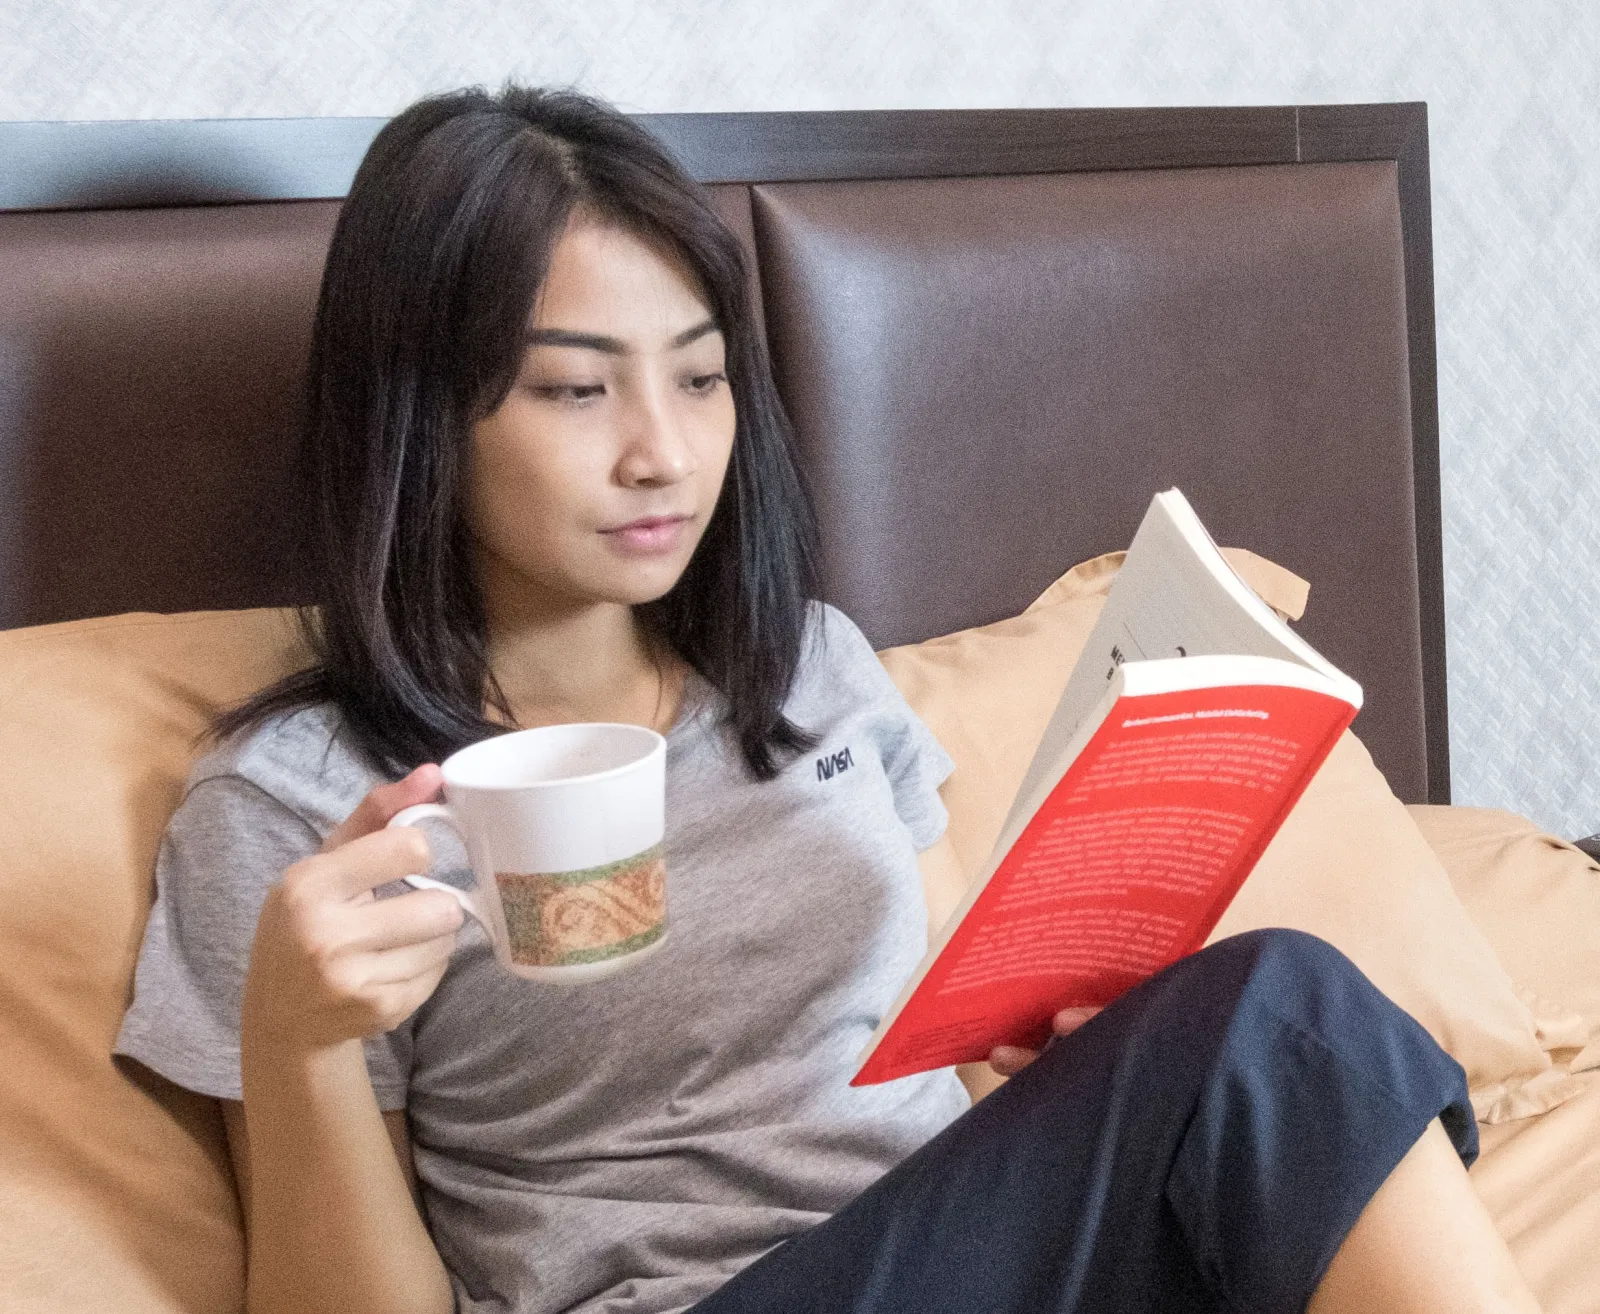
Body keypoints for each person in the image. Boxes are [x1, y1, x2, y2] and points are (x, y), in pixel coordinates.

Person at [113, 85, 1540, 1314]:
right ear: (423, 412)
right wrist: (297, 1042)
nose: (662, 452)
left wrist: (1057, 1070)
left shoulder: (809, 672)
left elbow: (949, 1068)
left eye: (701, 377)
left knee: (1271, 1074)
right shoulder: (303, 803)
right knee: (1278, 1010)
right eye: (574, 391)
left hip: (945, 1250)